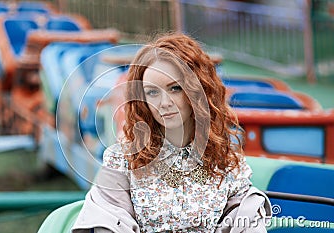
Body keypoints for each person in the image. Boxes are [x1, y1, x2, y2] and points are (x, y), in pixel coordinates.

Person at [72, 33, 272, 233]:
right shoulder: (123, 160)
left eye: (175, 88)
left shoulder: (225, 162)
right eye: (152, 92)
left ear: (196, 91)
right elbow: (107, 221)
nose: (164, 103)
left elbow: (247, 220)